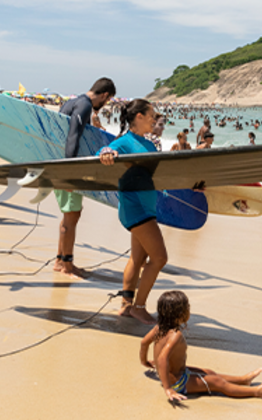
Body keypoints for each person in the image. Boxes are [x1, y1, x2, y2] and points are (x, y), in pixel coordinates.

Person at [98, 99, 166, 324]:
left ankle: (126, 305)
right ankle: (139, 307)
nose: (155, 119)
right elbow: (105, 150)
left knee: (138, 258)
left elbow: (162, 172)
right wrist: (106, 152)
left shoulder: (149, 144)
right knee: (159, 258)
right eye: (152, 115)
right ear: (139, 116)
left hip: (147, 205)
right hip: (134, 206)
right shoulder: (126, 142)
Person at [139, 291, 262, 401]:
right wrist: (168, 388)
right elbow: (163, 357)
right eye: (188, 308)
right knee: (217, 382)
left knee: (209, 373)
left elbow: (144, 343)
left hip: (175, 373)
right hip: (177, 382)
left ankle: (242, 380)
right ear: (181, 314)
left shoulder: (159, 328)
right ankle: (256, 391)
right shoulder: (175, 334)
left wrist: (144, 361)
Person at [53, 77, 117, 279]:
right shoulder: (85, 105)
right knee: (72, 214)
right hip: (67, 166)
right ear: (105, 95)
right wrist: (70, 172)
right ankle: (67, 266)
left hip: (57, 163)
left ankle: (59, 260)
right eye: (107, 101)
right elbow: (73, 136)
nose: (104, 105)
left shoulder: (72, 102)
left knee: (68, 214)